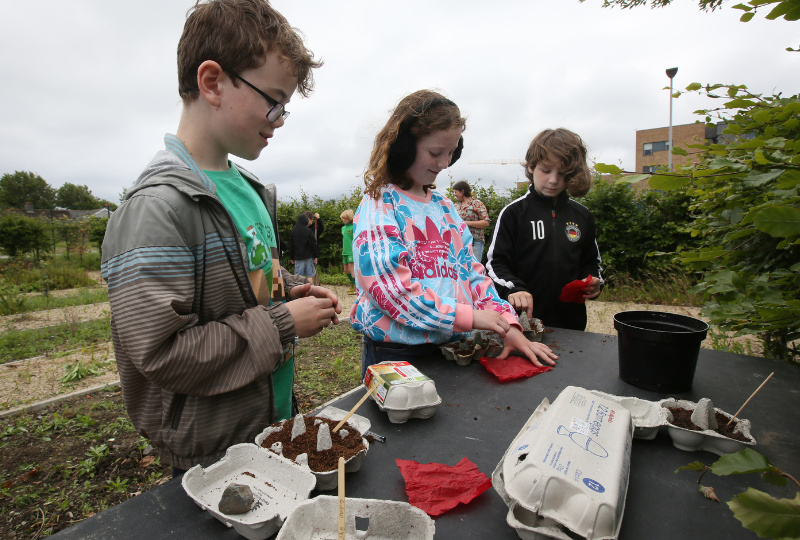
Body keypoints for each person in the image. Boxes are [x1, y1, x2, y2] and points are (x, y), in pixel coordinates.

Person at [100, 0, 340, 475]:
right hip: (212, 452)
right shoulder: (156, 210)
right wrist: (284, 324)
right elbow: (162, 353)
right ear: (212, 82)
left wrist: (289, 288)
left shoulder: (248, 191)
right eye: (273, 100)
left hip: (266, 422)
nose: (279, 119)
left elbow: (248, 279)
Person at [350, 90, 558, 378]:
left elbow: (474, 276)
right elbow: (391, 290)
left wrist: (507, 325)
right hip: (396, 353)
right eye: (435, 153)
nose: (445, 163)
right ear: (403, 147)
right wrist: (470, 317)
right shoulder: (379, 204)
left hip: (451, 343)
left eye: (451, 152)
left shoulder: (446, 208)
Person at [486, 128, 603, 331]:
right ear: (531, 166)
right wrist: (514, 289)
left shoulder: (582, 215)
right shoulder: (513, 213)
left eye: (563, 173)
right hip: (522, 322)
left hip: (571, 324)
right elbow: (494, 264)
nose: (553, 180)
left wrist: (594, 282)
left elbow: (591, 262)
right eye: (546, 170)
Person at [452, 180, 490, 263]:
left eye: (456, 192)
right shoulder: (455, 206)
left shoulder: (476, 204)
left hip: (474, 242)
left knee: (474, 267)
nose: (454, 194)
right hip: (459, 242)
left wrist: (465, 223)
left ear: (462, 191)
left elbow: (486, 222)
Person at [289, 212, 318, 279]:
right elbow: (313, 244)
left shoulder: (293, 231)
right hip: (308, 257)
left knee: (298, 277)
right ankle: (310, 289)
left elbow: (291, 245)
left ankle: (300, 289)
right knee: (309, 276)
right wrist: (315, 256)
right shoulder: (309, 231)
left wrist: (292, 257)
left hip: (298, 257)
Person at [340, 209, 357, 295]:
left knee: (351, 269)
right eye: (343, 218)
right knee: (346, 270)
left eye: (345, 218)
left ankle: (356, 286)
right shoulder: (343, 228)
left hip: (351, 251)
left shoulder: (354, 227)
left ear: (350, 218)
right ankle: (353, 284)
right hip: (345, 251)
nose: (344, 220)